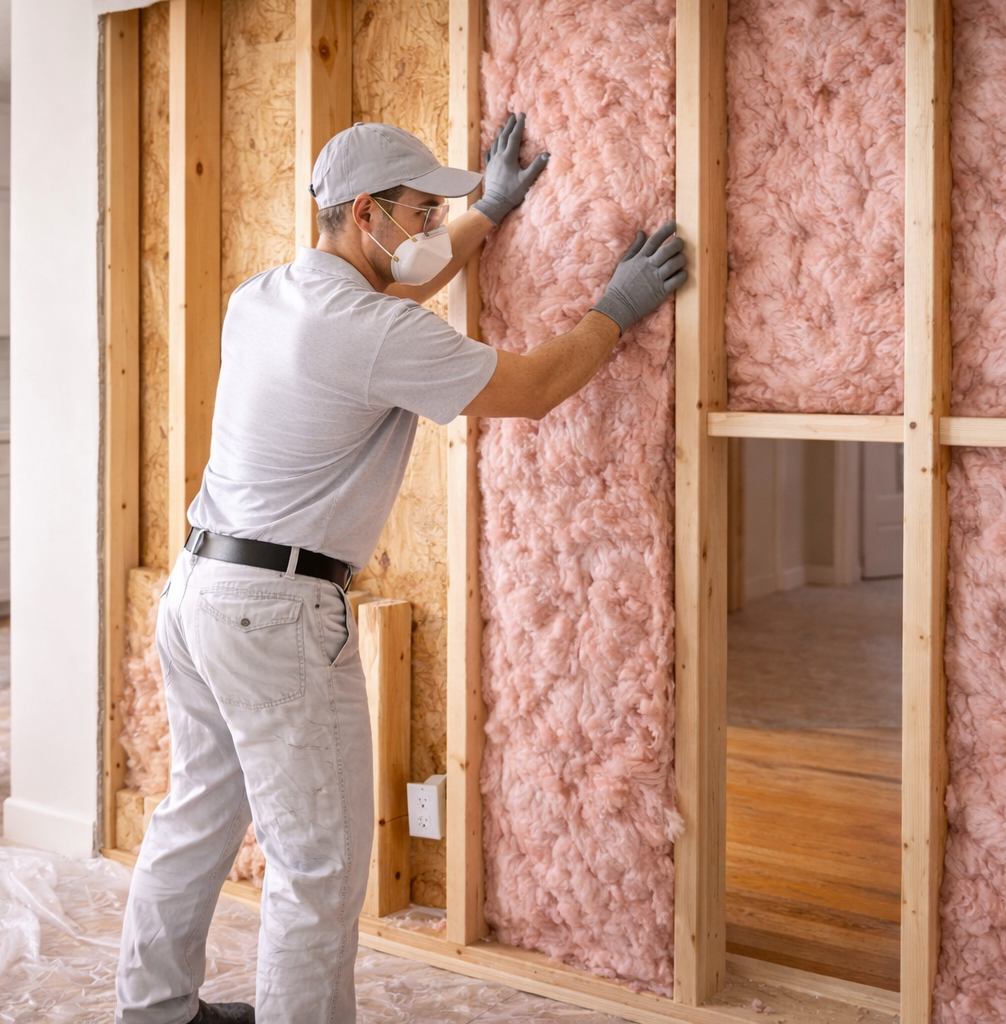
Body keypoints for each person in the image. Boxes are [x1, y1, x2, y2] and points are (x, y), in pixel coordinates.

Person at [114, 114, 686, 1024]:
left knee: (196, 814)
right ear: (367, 213)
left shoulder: (263, 297)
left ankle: (152, 1011)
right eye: (420, 213)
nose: (428, 231)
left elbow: (389, 313)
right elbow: (533, 388)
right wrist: (614, 309)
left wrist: (487, 210)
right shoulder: (370, 331)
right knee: (320, 863)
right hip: (278, 614)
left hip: (198, 594)